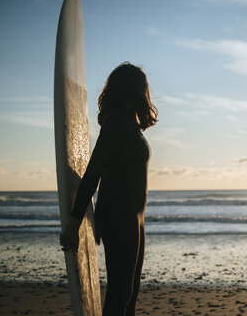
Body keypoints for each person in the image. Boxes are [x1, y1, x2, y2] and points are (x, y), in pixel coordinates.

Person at [60, 62, 157, 316]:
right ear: (134, 90)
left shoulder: (130, 125)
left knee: (130, 292)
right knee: (120, 293)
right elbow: (92, 174)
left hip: (135, 218)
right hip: (119, 217)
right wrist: (74, 221)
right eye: (144, 88)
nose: (147, 94)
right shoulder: (116, 124)